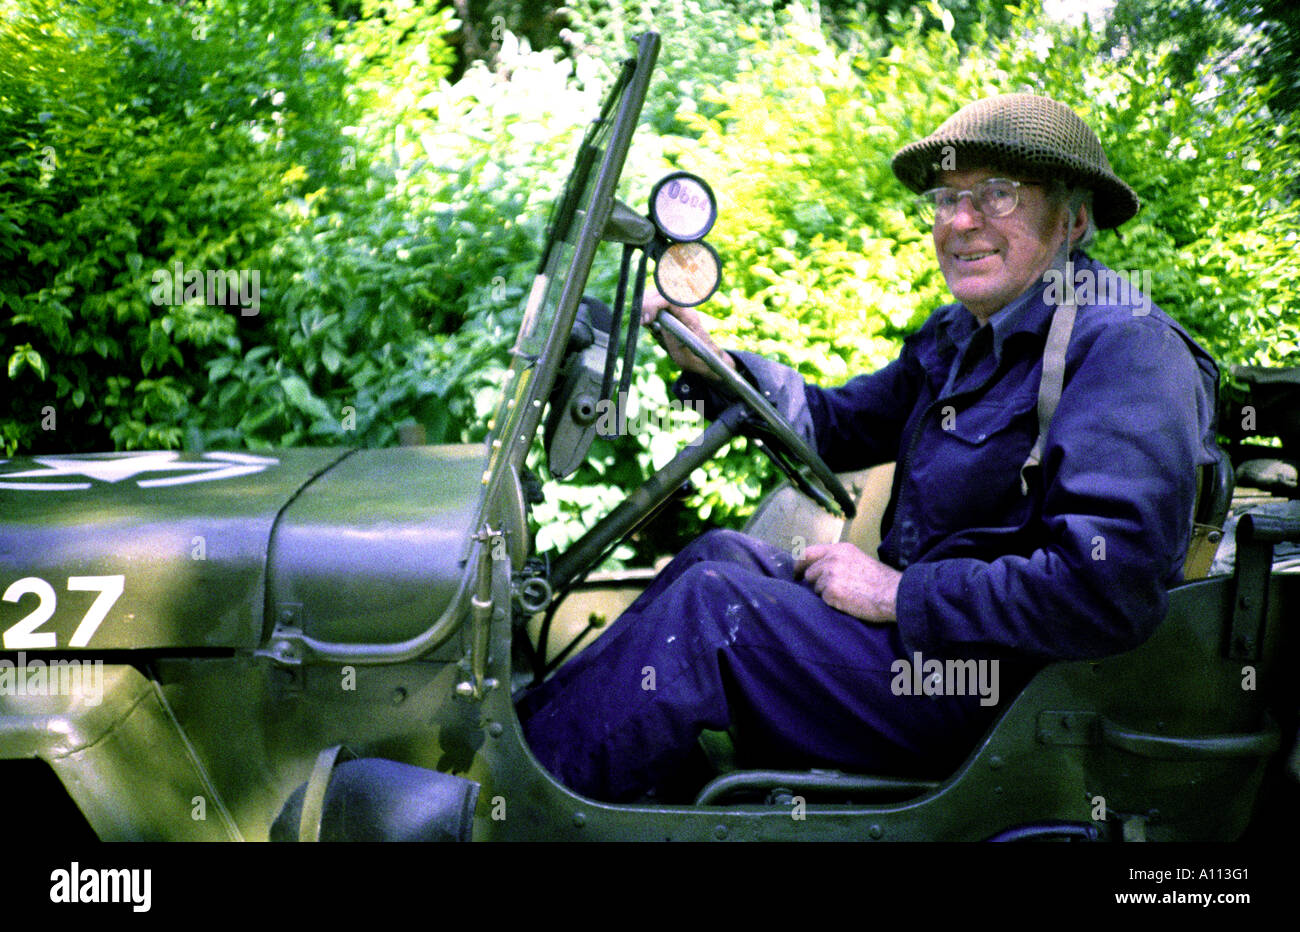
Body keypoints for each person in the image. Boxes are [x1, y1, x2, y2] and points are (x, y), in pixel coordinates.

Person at [516, 93, 1221, 803]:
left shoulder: (1125, 350)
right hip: (929, 648)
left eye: (998, 195)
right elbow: (836, 423)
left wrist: (899, 592)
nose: (961, 220)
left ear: (1072, 219)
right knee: (719, 557)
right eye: (947, 199)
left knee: (713, 612)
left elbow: (1107, 592)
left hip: (995, 692)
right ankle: (531, 752)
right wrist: (717, 366)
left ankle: (513, 814)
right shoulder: (963, 337)